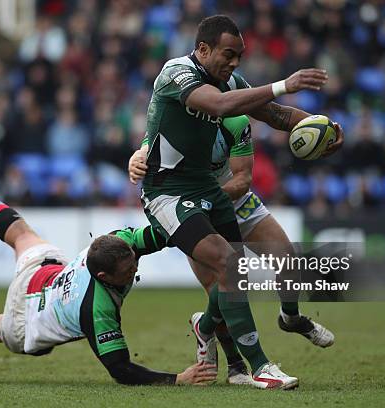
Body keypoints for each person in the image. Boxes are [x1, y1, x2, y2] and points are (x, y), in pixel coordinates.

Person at [140, 15, 343, 389]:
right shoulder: (176, 73)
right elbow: (217, 105)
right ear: (202, 49)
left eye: (240, 56)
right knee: (228, 265)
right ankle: (258, 366)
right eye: (228, 55)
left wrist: (321, 125)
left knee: (237, 273)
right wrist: (284, 84)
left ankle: (207, 328)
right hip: (169, 192)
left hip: (211, 190)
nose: (235, 63)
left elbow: (276, 115)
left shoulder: (231, 83)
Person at [0, 163, 216, 386]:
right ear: (106, 276)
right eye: (128, 270)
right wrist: (177, 379)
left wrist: (203, 216)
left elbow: (165, 234)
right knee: (2, 328)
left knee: (22, 234)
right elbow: (121, 370)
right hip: (32, 317)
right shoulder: (97, 308)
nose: (135, 269)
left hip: (47, 274)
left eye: (133, 261)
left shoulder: (121, 242)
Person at [129, 115, 337, 381]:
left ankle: (291, 317)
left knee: (287, 259)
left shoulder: (235, 122)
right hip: (189, 206)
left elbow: (242, 180)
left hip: (232, 198)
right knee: (225, 288)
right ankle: (235, 363)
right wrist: (136, 156)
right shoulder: (175, 112)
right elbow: (149, 145)